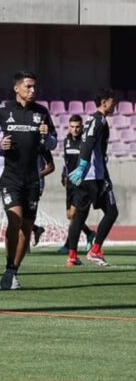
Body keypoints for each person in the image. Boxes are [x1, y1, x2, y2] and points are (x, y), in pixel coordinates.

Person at [0, 71, 57, 290]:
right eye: (28, 87)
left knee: (26, 228)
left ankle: (13, 270)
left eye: (34, 87)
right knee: (14, 222)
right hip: (10, 178)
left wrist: (47, 136)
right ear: (17, 88)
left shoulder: (42, 112)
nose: (33, 90)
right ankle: (8, 267)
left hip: (32, 180)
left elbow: (53, 144)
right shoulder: (3, 112)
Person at [66, 88, 119, 267]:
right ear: (104, 102)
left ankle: (72, 256)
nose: (115, 103)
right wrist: (83, 165)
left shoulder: (91, 119)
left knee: (79, 215)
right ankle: (95, 250)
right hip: (95, 175)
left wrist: (81, 168)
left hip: (84, 177)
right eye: (113, 100)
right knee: (112, 212)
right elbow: (88, 143)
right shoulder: (99, 120)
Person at [57, 115, 96, 255]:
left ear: (82, 127)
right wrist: (63, 174)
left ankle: (69, 245)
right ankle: (89, 233)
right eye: (72, 127)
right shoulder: (66, 140)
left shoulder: (85, 142)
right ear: (69, 126)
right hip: (70, 183)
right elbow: (66, 160)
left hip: (82, 183)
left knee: (74, 215)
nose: (75, 129)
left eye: (78, 127)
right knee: (70, 215)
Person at [30, 148, 55, 248]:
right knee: (19, 215)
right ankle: (36, 229)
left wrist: (36, 176)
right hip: (21, 182)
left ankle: (24, 248)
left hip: (36, 184)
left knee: (26, 215)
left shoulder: (40, 145)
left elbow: (51, 167)